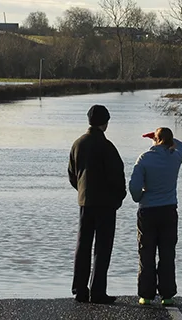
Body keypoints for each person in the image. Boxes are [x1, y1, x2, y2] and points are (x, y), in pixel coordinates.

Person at [68, 104, 127, 304]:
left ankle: (80, 289)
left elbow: (72, 174)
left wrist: (82, 192)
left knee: (83, 245)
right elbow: (117, 176)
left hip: (85, 201)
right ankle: (98, 291)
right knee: (102, 248)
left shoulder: (78, 144)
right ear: (106, 122)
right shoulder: (107, 146)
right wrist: (119, 198)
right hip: (106, 204)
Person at [129, 127, 182, 306]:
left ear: (155, 139)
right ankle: (167, 294)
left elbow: (134, 187)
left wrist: (140, 197)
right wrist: (165, 139)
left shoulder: (144, 158)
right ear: (169, 141)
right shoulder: (176, 157)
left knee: (146, 252)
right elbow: (181, 145)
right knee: (167, 253)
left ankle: (146, 295)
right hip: (169, 210)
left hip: (148, 211)